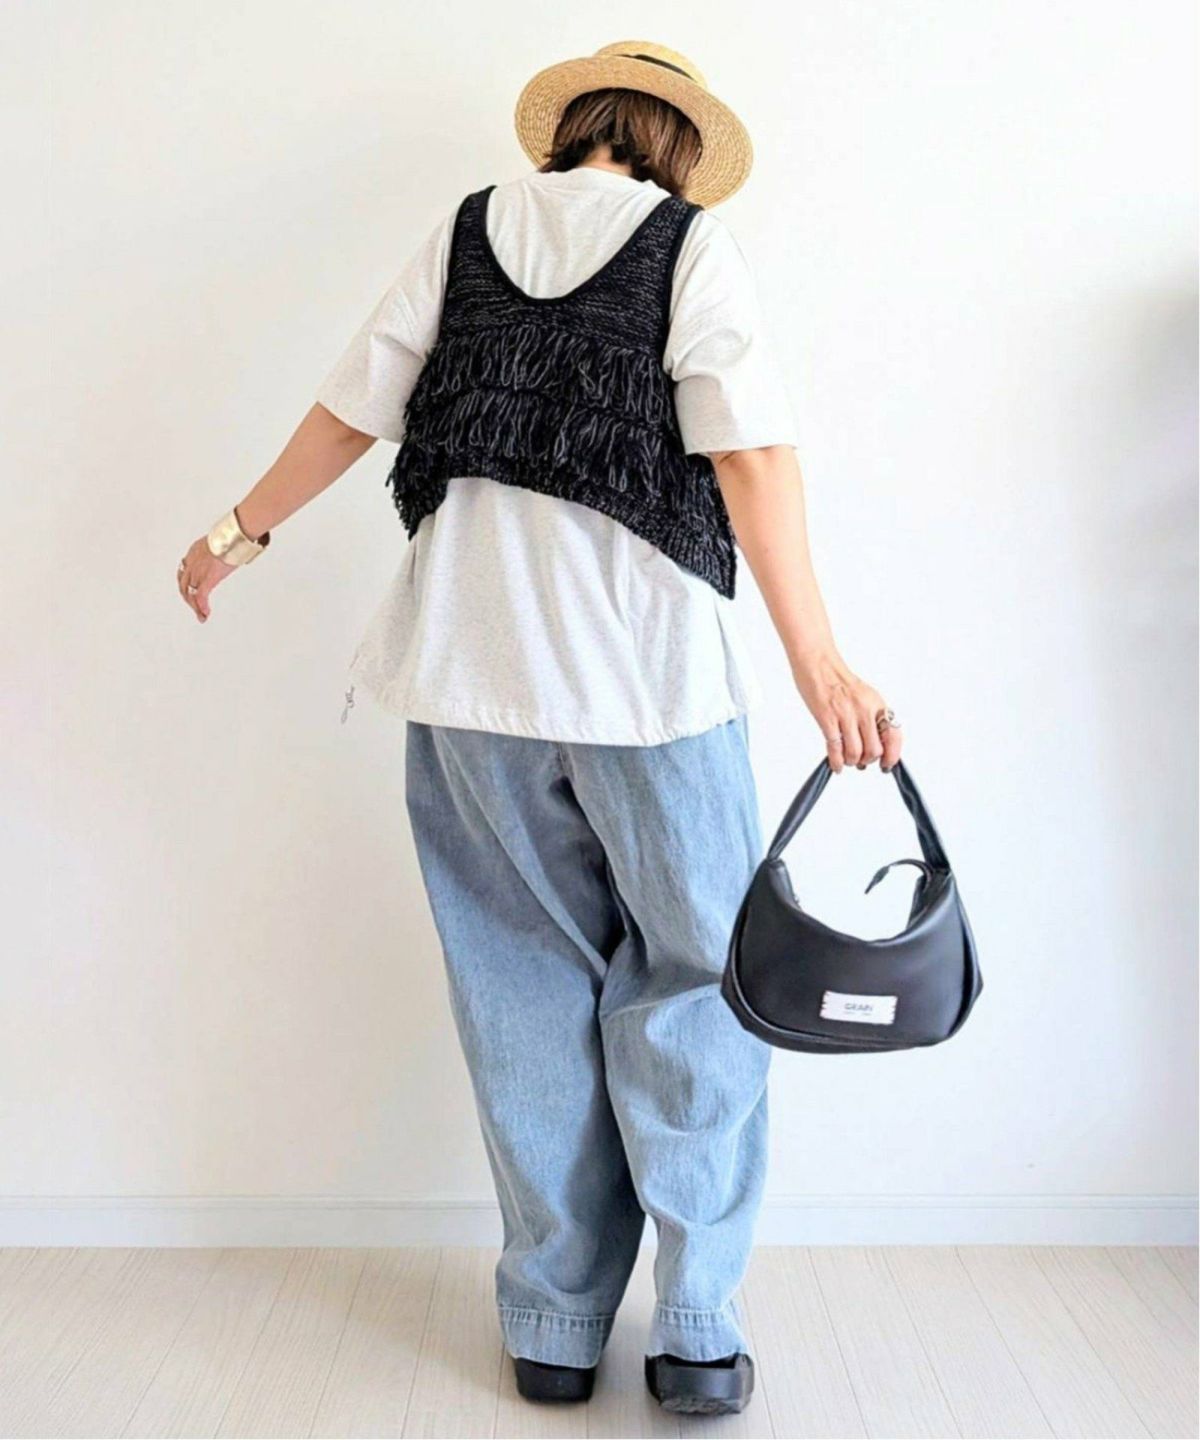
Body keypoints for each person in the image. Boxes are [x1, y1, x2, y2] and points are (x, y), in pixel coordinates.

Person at [175, 39, 902, 1417]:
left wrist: (237, 531)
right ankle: (695, 1331)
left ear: (572, 129)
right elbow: (750, 452)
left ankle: (556, 1328)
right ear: (676, 148)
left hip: (467, 678)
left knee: (520, 993)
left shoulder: (465, 233)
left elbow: (351, 404)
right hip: (646, 688)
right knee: (703, 984)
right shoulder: (688, 246)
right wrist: (820, 664)